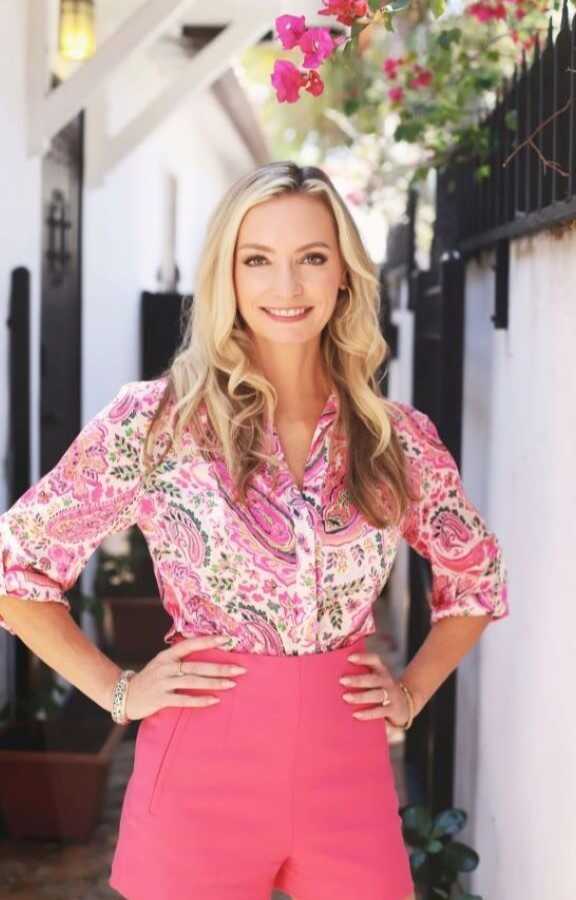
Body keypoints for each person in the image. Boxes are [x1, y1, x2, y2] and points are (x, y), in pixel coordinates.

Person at [0, 160, 509, 900]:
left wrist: (412, 691)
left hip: (348, 766)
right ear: (227, 276)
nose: (287, 287)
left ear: (343, 274)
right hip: (201, 759)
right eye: (258, 260)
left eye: (311, 258)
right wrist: (116, 690)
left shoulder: (394, 437)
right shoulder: (156, 423)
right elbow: (18, 567)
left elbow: (476, 577)